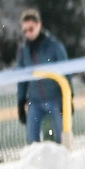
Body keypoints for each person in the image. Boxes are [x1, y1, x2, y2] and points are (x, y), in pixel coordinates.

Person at [14, 8, 68, 145]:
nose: (28, 33)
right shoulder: (24, 50)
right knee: (32, 142)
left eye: (31, 29)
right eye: (25, 30)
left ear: (39, 25)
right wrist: (21, 102)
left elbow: (67, 71)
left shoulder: (54, 46)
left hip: (55, 98)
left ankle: (65, 163)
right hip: (34, 101)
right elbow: (21, 78)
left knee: (63, 137)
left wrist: (68, 98)